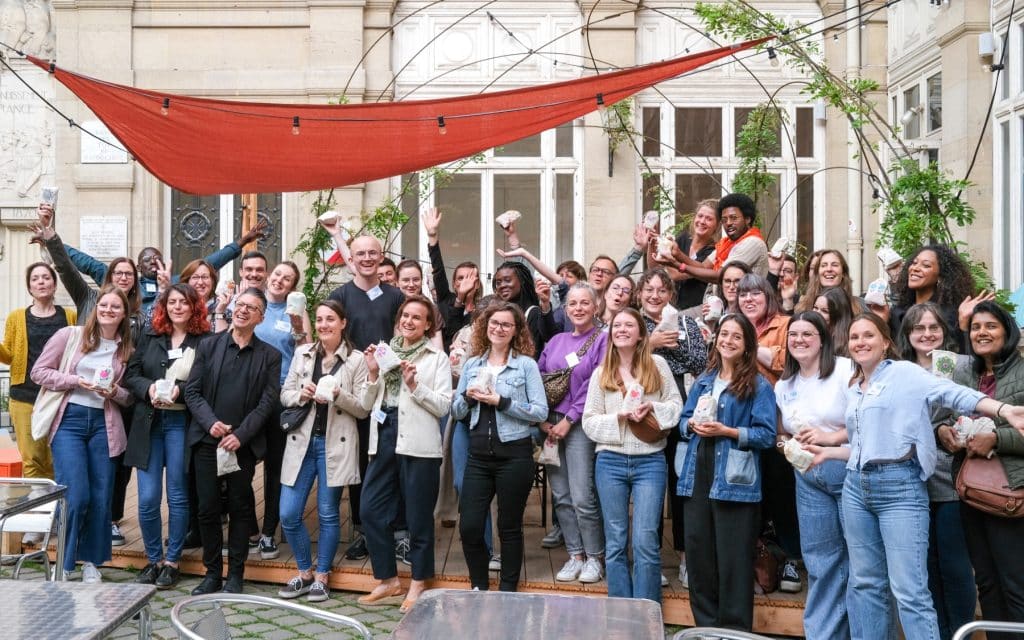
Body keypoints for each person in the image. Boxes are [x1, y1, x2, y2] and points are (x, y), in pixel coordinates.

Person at [842, 312, 1024, 640]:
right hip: (855, 485)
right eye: (855, 337)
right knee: (866, 584)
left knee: (910, 592)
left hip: (899, 484)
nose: (860, 342)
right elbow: (858, 441)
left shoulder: (905, 373)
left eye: (869, 335)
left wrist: (1002, 410)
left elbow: (954, 394)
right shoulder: (855, 385)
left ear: (885, 342)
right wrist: (824, 447)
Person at [676, 313, 777, 630]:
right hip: (697, 473)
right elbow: (681, 422)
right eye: (724, 334)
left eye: (737, 336)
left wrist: (729, 431)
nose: (728, 340)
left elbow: (766, 435)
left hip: (735, 479)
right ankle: (706, 628)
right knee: (699, 557)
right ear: (716, 338)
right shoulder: (704, 380)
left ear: (747, 345)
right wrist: (689, 424)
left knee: (734, 561)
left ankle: (734, 632)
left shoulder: (759, 386)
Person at [30, 286, 135, 582]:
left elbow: (129, 397)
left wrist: (114, 391)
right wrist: (75, 380)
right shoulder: (70, 336)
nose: (109, 310)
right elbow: (39, 372)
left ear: (124, 313)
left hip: (105, 424)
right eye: (104, 305)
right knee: (76, 496)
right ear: (96, 307)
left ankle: (91, 561)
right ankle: (65, 562)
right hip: (69, 422)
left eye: (116, 307)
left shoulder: (126, 350)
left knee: (102, 497)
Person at [185, 287, 282, 595]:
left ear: (261, 317)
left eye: (251, 307)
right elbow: (192, 391)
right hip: (206, 440)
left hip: (242, 445)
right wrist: (211, 423)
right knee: (208, 509)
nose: (242, 310)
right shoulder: (208, 346)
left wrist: (240, 435)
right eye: (240, 304)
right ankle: (212, 573)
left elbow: (267, 403)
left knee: (241, 507)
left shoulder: (270, 356)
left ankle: (236, 575)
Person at [936, 301, 1024, 638]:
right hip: (971, 491)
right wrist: (943, 433)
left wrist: (996, 440)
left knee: (1015, 584)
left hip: (1012, 494)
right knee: (986, 582)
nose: (982, 333)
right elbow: (944, 416)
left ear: (1008, 331)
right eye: (975, 327)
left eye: (990, 326)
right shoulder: (964, 372)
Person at [358, 295, 452, 611]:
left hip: (419, 443)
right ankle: (388, 580)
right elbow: (366, 402)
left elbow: (443, 405)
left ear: (428, 324)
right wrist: (372, 373)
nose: (409, 321)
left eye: (417, 317)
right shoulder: (384, 352)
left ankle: (418, 582)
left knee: (418, 518)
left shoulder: (436, 358)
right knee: (370, 509)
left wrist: (415, 386)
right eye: (405, 316)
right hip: (384, 435)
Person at [582, 308, 682, 603]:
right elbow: (588, 421)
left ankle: (646, 614)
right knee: (615, 542)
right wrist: (620, 417)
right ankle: (621, 615)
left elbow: (676, 407)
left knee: (646, 541)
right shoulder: (601, 373)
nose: (622, 329)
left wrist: (653, 409)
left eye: (629, 325)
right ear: (611, 333)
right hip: (610, 462)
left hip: (650, 461)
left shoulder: (658, 365)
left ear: (641, 333)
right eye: (617, 325)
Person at [277, 300, 373, 603]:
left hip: (335, 444)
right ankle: (304, 571)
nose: (323, 325)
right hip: (301, 443)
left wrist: (337, 394)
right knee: (288, 513)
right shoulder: (302, 354)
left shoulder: (356, 360)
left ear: (343, 323)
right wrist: (301, 395)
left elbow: (362, 408)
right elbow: (285, 394)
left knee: (329, 513)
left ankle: (321, 576)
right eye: (319, 320)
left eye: (330, 319)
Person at [452, 302, 548, 591]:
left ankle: (508, 590)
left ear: (516, 330)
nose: (499, 328)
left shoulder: (526, 365)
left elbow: (540, 412)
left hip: (515, 456)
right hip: (478, 457)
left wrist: (502, 402)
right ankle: (479, 586)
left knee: (509, 527)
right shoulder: (472, 365)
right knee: (469, 527)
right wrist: (468, 398)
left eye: (506, 324)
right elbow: (456, 412)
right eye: (494, 323)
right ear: (485, 326)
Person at [896, 302, 977, 640]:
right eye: (919, 328)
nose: (927, 334)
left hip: (949, 475)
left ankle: (961, 633)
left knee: (954, 566)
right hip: (909, 479)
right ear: (908, 335)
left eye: (934, 327)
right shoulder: (898, 369)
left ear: (944, 332)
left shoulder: (956, 364)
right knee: (924, 567)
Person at [775, 311, 856, 638]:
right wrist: (786, 446)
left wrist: (829, 438)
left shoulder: (844, 370)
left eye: (807, 333)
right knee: (821, 563)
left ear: (822, 338)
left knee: (858, 561)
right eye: (793, 334)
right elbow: (781, 433)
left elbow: (863, 421)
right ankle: (822, 634)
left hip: (845, 470)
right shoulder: (784, 384)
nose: (799, 340)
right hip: (807, 477)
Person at [123, 283, 210, 589]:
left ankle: (172, 562)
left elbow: (207, 382)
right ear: (164, 306)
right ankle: (153, 559)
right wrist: (147, 389)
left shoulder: (205, 341)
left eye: (183, 302)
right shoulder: (150, 336)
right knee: (147, 499)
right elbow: (131, 374)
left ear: (194, 307)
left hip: (180, 424)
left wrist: (181, 391)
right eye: (172, 302)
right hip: (149, 422)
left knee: (176, 495)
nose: (177, 307)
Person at [327, 234, 405, 561]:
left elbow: (405, 336)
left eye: (373, 252)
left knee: (392, 458)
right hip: (355, 390)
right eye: (361, 253)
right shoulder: (340, 295)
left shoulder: (396, 295)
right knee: (359, 462)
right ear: (352, 258)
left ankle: (397, 531)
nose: (368, 258)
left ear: (381, 255)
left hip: (391, 389)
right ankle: (363, 531)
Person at [636, 267, 707, 584]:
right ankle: (649, 561)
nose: (654, 296)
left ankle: (686, 559)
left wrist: (671, 344)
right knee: (648, 489)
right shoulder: (630, 323)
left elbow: (701, 363)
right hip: (641, 410)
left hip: (679, 409)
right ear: (640, 294)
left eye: (661, 291)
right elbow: (616, 360)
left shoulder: (687, 323)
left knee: (681, 488)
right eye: (648, 290)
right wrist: (649, 343)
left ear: (671, 295)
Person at [538, 284, 608, 584]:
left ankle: (594, 557)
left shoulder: (603, 340)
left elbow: (595, 384)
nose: (578, 309)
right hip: (549, 424)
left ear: (596, 307)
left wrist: (569, 418)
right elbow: (538, 378)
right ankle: (575, 554)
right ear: (565, 310)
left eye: (584, 303)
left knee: (582, 495)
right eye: (572, 304)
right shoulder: (555, 341)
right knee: (561, 495)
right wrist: (541, 420)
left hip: (579, 425)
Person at [248, 261, 312, 561]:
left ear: (293, 286)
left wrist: (299, 329)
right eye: (277, 275)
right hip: (247, 393)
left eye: (287, 279)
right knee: (241, 464)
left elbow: (309, 351)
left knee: (275, 467)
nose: (279, 281)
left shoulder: (295, 312)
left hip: (279, 395)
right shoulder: (250, 303)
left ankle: (269, 533)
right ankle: (247, 528)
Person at [0, 263, 76, 495]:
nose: (41, 282)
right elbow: (9, 356)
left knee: (55, 457)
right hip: (24, 396)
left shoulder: (70, 316)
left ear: (54, 284)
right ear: (29, 287)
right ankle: (38, 517)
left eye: (46, 277)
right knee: (31, 458)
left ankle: (54, 512)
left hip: (58, 397)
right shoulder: (16, 317)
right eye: (35, 279)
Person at [888, 244, 990, 350]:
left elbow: (962, 355)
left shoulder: (950, 315)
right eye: (914, 263)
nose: (915, 268)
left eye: (926, 265)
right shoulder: (897, 311)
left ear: (941, 276)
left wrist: (964, 322)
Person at [422, 207, 481, 349]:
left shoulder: (483, 310)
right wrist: (432, 236)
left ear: (477, 283)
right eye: (460, 278)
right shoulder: (445, 300)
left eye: (470, 277)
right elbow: (438, 269)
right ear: (454, 283)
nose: (465, 281)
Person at [674, 193, 769, 280]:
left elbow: (722, 275)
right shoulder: (726, 243)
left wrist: (676, 264)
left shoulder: (752, 242)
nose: (728, 223)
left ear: (747, 219)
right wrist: (677, 254)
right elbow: (703, 267)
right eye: (724, 219)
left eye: (733, 218)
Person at [491, 260, 557, 354]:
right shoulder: (497, 313)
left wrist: (545, 304)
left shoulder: (533, 313)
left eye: (508, 280)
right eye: (498, 282)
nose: (502, 285)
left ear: (521, 281)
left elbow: (549, 338)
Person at [794, 249, 858, 314]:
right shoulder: (802, 307)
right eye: (824, 265)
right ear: (817, 272)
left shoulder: (858, 307)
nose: (829, 269)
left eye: (835, 265)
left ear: (843, 272)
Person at [812, 286, 856, 357]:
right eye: (815, 308)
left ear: (838, 315)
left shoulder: (852, 342)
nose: (817, 314)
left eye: (825, 311)